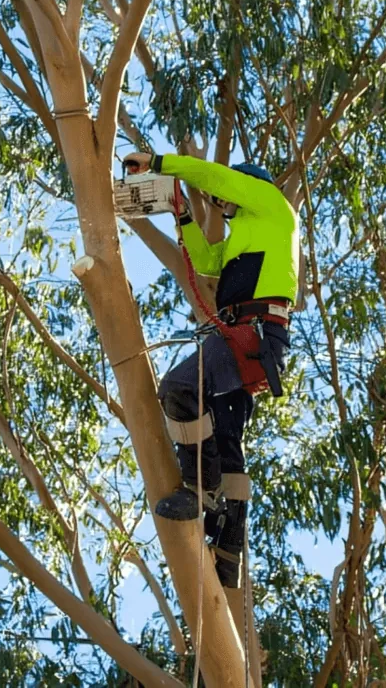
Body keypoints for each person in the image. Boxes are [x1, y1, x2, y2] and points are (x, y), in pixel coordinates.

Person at [123, 151, 299, 588]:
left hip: (253, 332)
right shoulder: (246, 236)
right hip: (249, 336)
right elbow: (204, 262)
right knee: (225, 434)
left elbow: (213, 176)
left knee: (180, 388)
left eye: (226, 197)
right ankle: (227, 550)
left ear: (248, 187)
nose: (222, 204)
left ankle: (199, 489)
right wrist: (182, 216)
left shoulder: (272, 204)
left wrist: (160, 163)